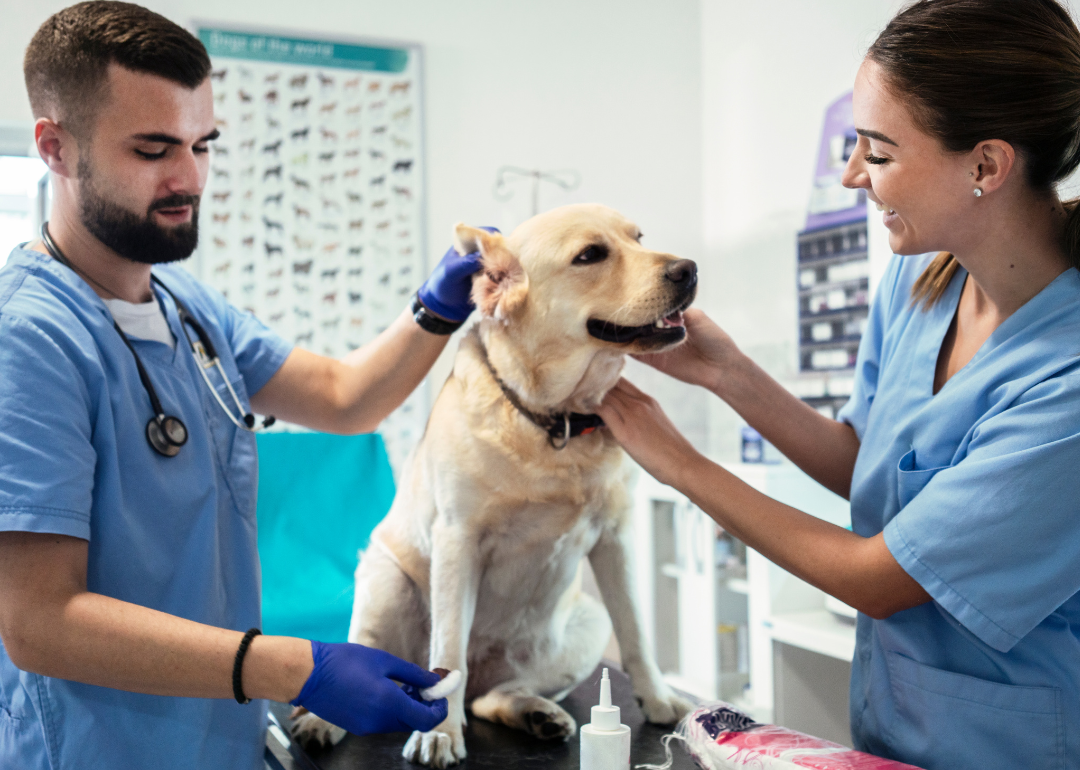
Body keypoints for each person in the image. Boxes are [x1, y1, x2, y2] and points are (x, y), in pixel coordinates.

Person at [0, 3, 486, 768]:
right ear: (55, 148)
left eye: (202, 145)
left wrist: (437, 309)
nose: (189, 177)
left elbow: (340, 396)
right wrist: (294, 666)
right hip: (103, 750)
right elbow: (39, 621)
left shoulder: (190, 308)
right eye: (153, 149)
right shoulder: (27, 337)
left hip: (221, 736)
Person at [596, 1, 1080, 768]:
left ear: (986, 166)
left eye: (878, 153)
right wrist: (727, 373)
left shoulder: (1068, 378)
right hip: (894, 721)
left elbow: (877, 580)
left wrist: (678, 463)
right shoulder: (921, 276)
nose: (853, 174)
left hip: (1014, 742)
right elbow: (871, 467)